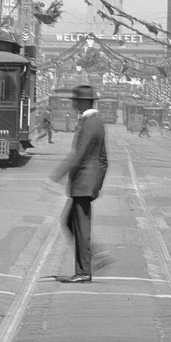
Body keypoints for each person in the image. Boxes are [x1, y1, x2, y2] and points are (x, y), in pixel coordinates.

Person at [53, 81, 108, 282]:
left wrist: (58, 174)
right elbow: (103, 160)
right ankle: (92, 257)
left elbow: (79, 155)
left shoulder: (89, 124)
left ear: (83, 103)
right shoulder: (96, 122)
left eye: (76, 101)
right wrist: (97, 184)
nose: (74, 105)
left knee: (80, 227)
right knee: (70, 222)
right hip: (87, 183)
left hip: (83, 183)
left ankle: (84, 270)